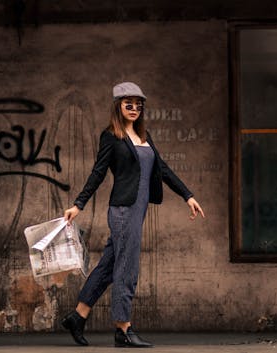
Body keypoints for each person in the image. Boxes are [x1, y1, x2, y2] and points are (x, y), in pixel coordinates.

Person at [61, 82, 204, 348]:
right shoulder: (111, 136)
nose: (135, 108)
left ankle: (78, 316)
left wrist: (188, 195)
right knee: (127, 268)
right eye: (129, 104)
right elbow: (98, 172)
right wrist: (78, 204)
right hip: (123, 211)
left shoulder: (145, 137)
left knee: (108, 267)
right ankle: (123, 329)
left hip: (137, 211)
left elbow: (163, 169)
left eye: (139, 105)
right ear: (118, 106)